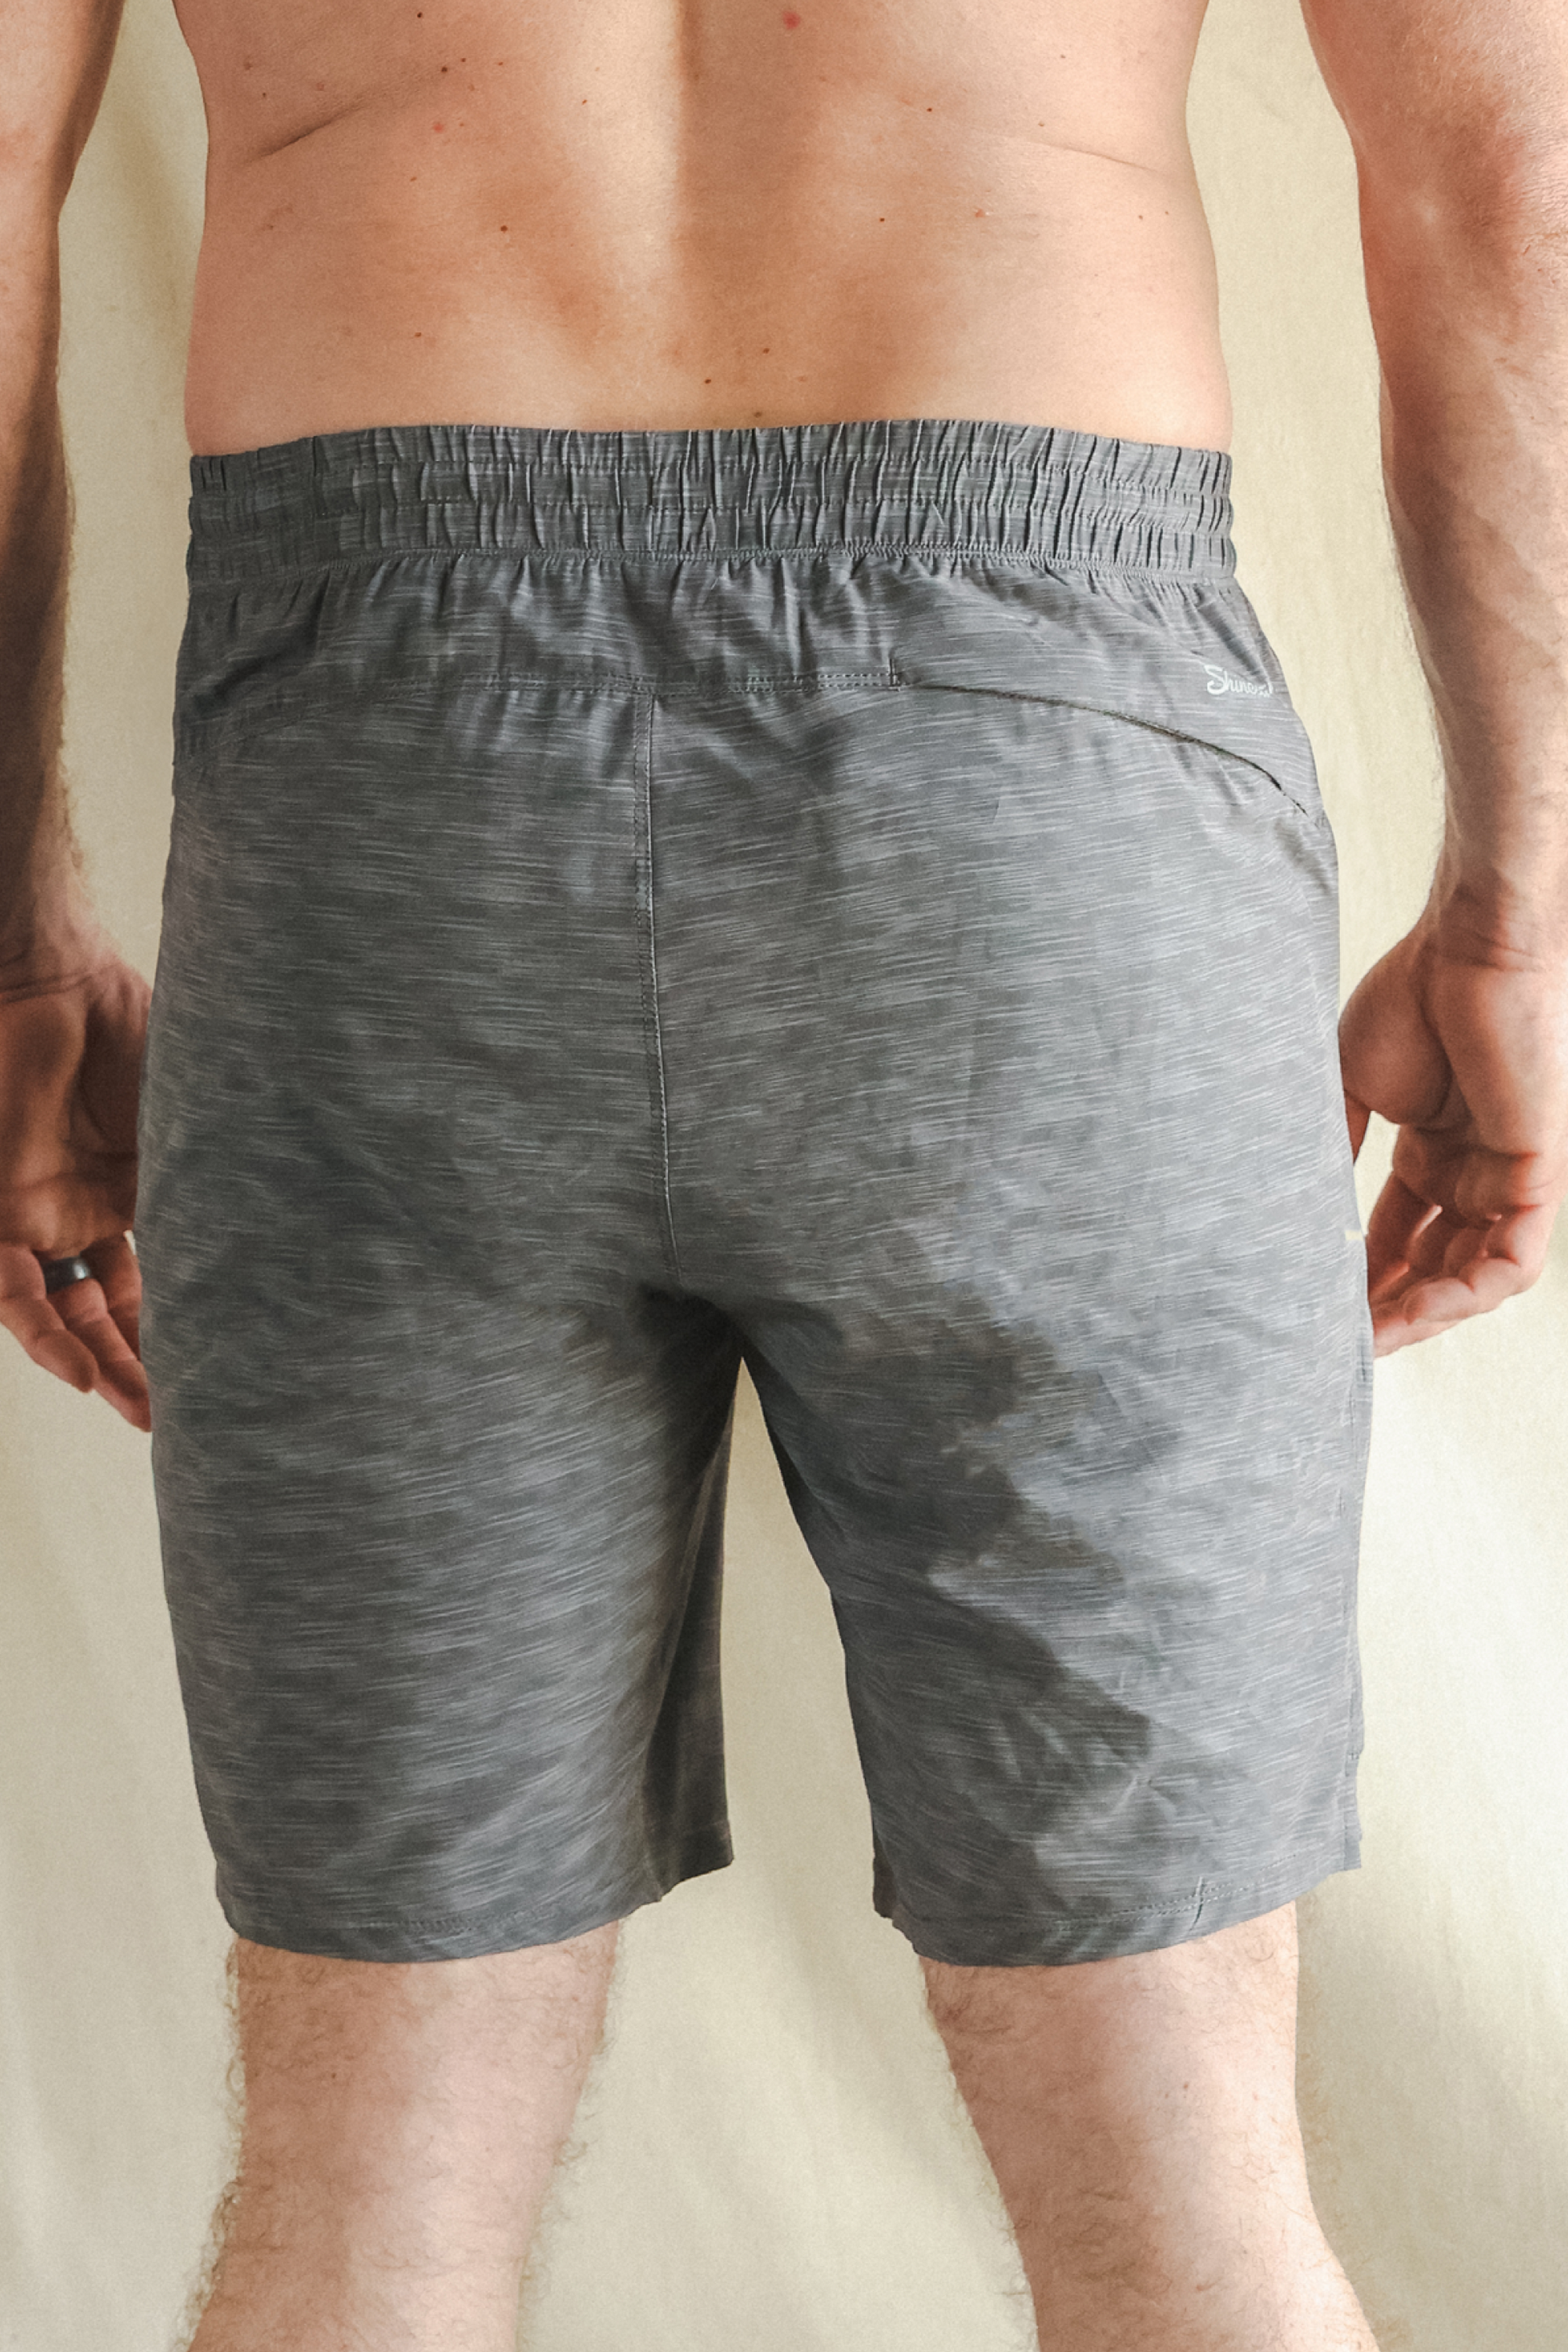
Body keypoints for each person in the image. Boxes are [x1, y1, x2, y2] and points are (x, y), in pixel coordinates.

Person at [2, 0, 1566, 2345]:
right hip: (1043, 792)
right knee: (1185, 2207)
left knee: (368, 2201)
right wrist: (1521, 905)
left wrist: (12, 930)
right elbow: (1507, 172)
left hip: (381, 809)